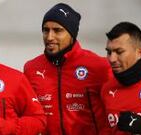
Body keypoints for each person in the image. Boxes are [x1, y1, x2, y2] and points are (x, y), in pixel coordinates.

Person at [24, 3, 110, 135]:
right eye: (46, 30)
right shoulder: (31, 68)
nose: (49, 37)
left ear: (72, 34)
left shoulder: (99, 66)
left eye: (57, 30)